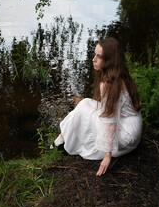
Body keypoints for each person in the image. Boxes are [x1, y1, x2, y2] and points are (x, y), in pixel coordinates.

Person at [54, 37, 142, 176]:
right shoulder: (121, 73)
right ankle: (64, 135)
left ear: (109, 60)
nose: (93, 59)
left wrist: (107, 155)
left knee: (83, 109)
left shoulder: (108, 84)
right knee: (85, 103)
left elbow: (110, 120)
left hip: (126, 135)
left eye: (99, 57)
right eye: (94, 54)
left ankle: (64, 139)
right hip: (134, 127)